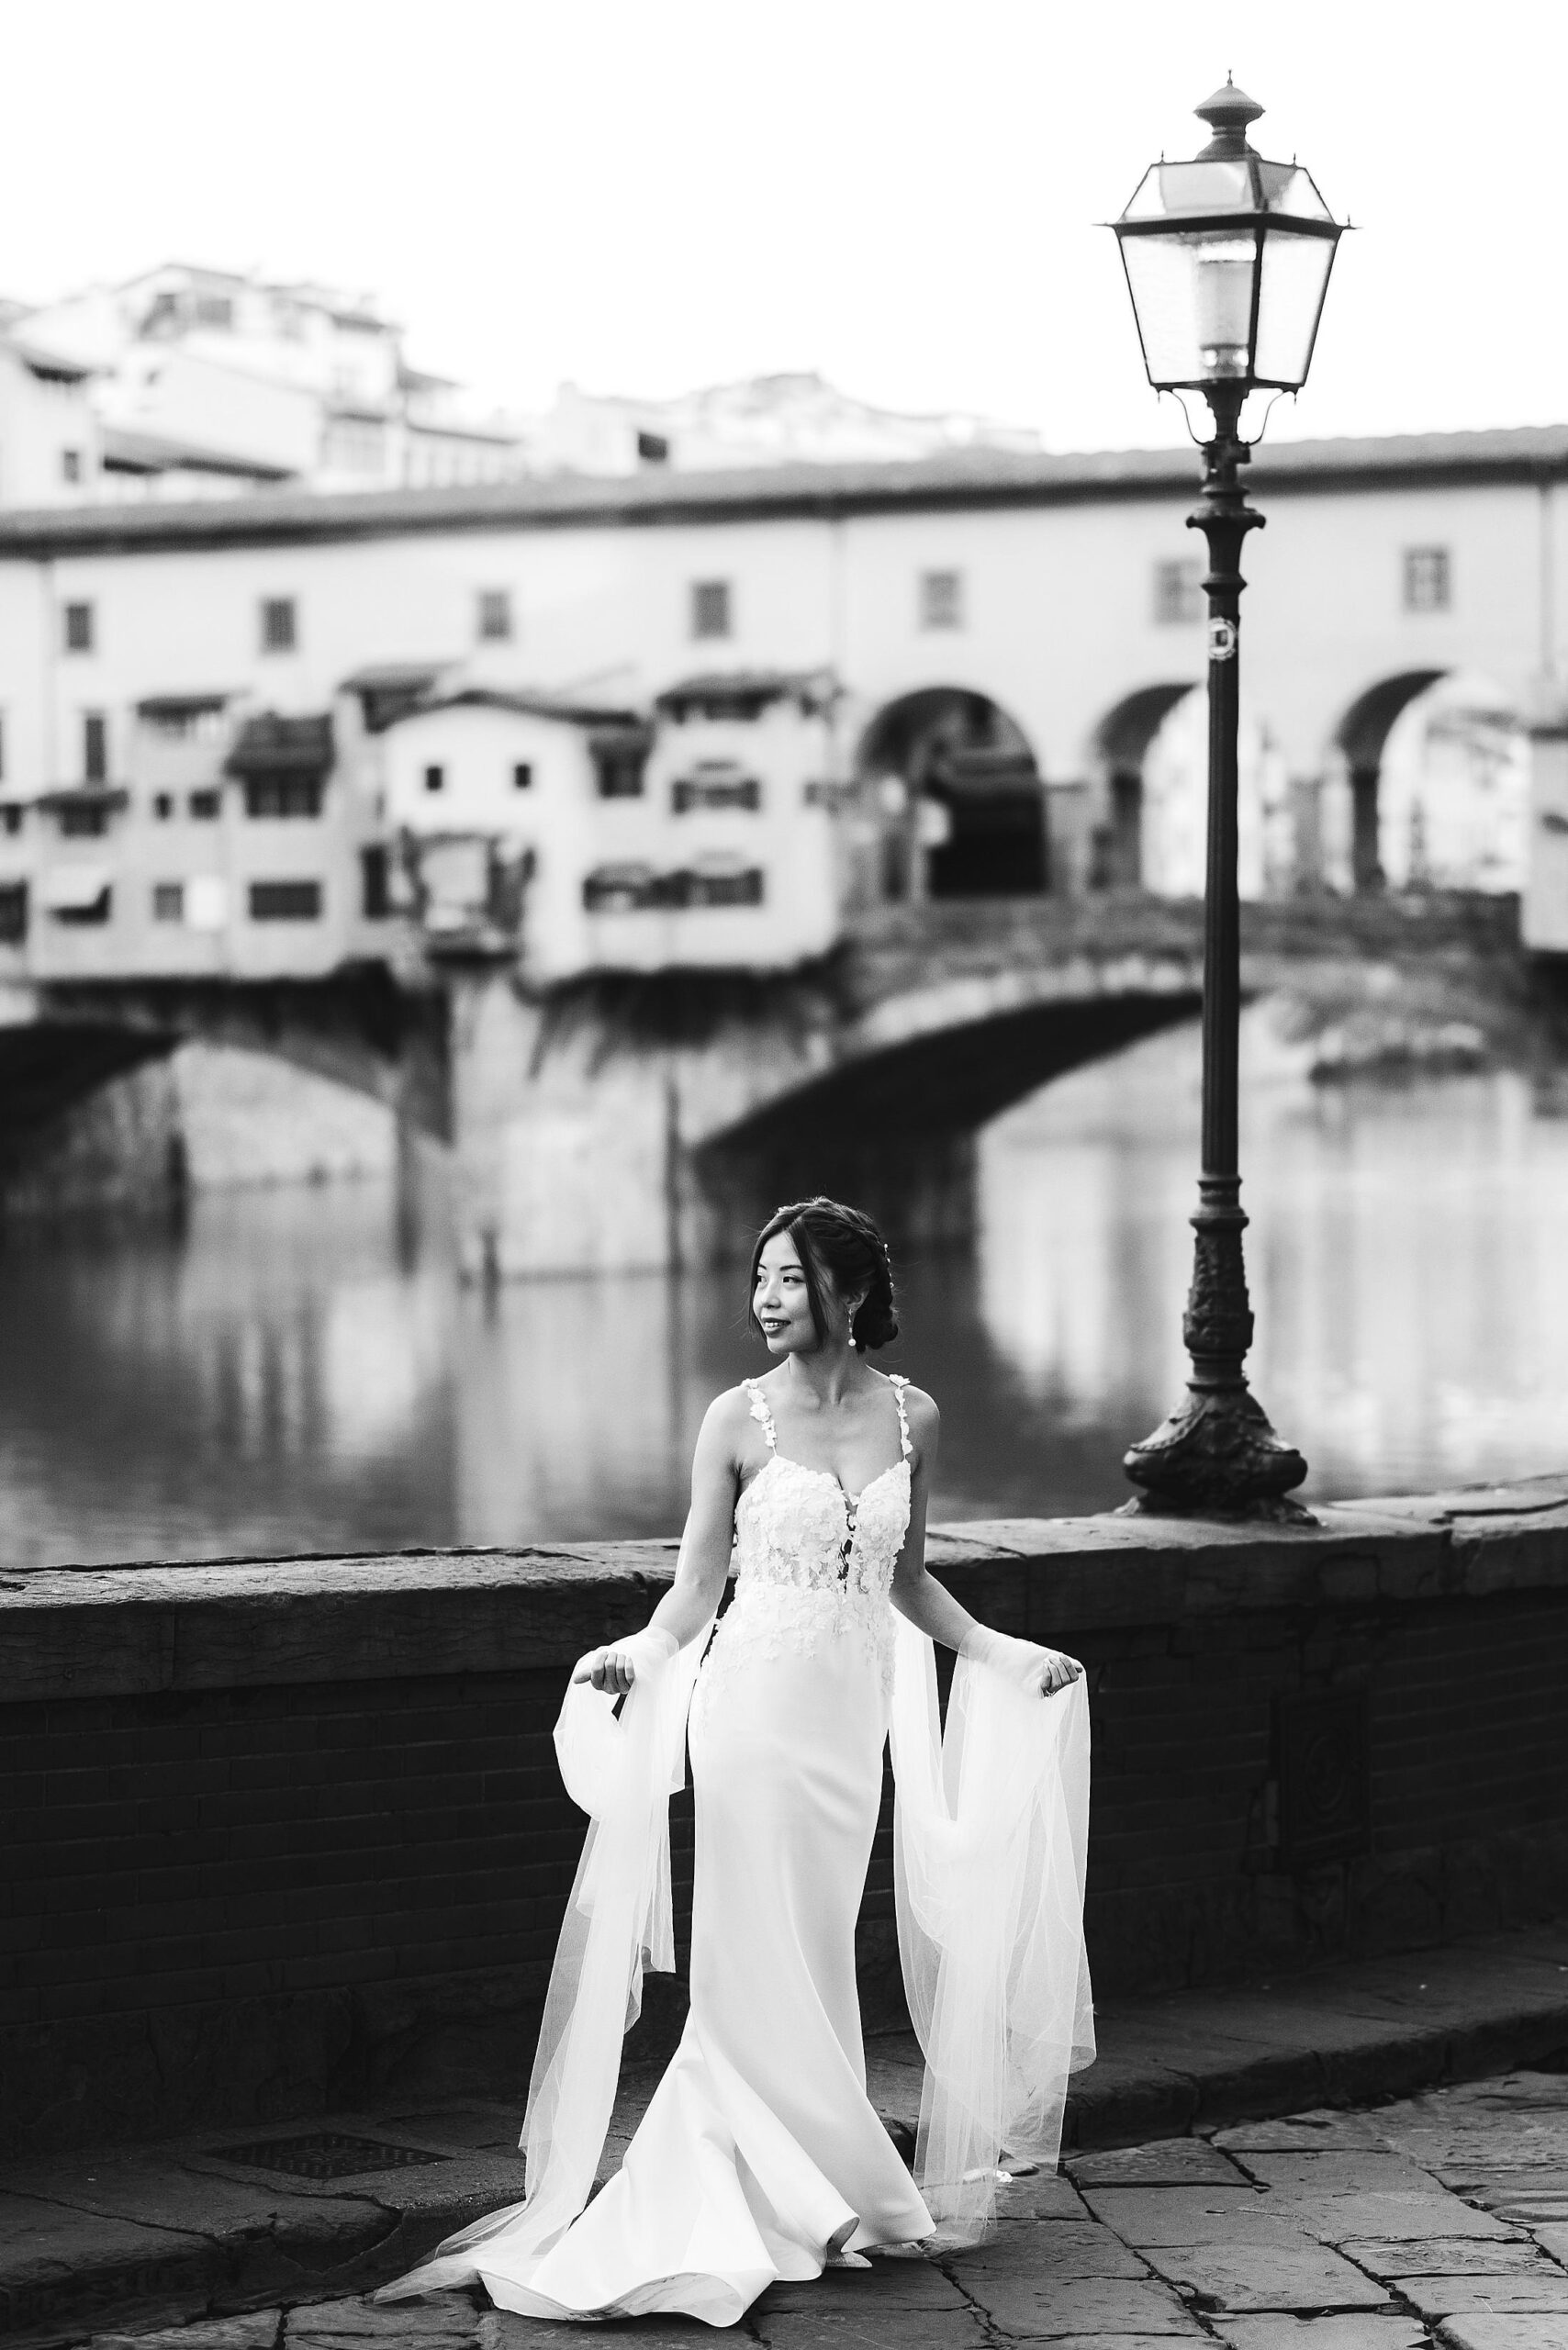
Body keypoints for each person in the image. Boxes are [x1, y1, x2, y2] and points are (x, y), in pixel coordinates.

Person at [378, 1196, 1093, 2327]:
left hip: (845, 1728)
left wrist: (1007, 1657)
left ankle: (817, 2175)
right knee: (750, 1952)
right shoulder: (733, 1418)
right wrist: (635, 1651)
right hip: (751, 1713)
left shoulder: (915, 1417)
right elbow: (695, 1588)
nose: (764, 1297)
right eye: (758, 1276)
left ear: (848, 1294)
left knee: (815, 1947)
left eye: (790, 1278)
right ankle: (760, 2184)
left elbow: (906, 1583)